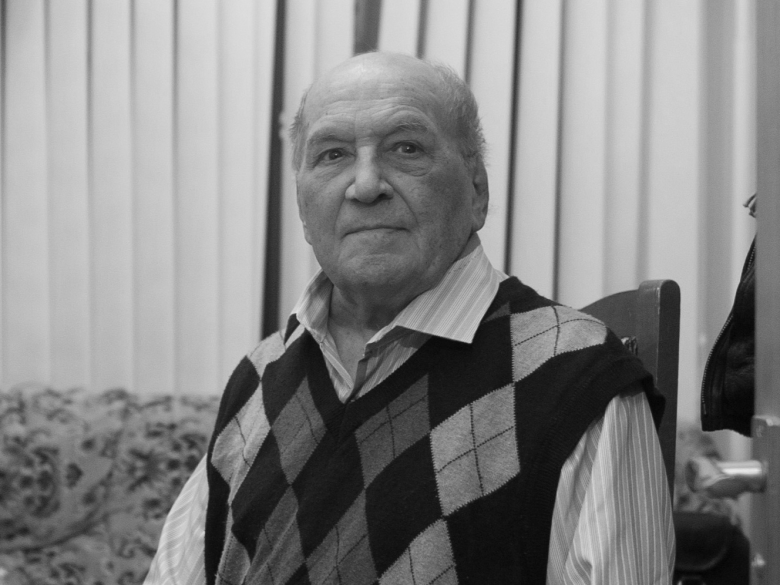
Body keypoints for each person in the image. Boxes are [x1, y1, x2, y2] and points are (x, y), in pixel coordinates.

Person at [145, 51, 674, 585]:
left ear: (477, 189)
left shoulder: (574, 376)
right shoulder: (260, 377)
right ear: (303, 207)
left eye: (406, 149)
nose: (365, 185)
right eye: (332, 154)